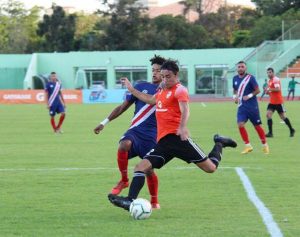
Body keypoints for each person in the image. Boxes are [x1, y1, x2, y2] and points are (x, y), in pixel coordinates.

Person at [107, 59, 237, 211]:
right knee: (140, 167)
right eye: (162, 76)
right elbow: (149, 100)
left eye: (167, 76)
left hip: (178, 139)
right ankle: (130, 200)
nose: (164, 79)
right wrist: (132, 89)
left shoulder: (180, 90)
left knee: (210, 168)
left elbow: (185, 109)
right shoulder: (162, 91)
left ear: (176, 75)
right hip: (164, 142)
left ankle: (219, 142)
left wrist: (182, 127)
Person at [94, 55, 166, 209]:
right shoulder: (141, 86)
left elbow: (155, 101)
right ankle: (124, 180)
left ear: (165, 73)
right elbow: (122, 107)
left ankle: (154, 200)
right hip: (135, 131)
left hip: (152, 136)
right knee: (124, 144)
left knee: (148, 170)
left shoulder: (166, 91)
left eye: (158, 71)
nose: (154, 73)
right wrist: (104, 122)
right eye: (153, 70)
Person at [232, 61, 269, 154]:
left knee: (257, 126)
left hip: (252, 107)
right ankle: (247, 146)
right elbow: (235, 89)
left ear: (245, 68)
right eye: (239, 67)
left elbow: (258, 90)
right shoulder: (235, 78)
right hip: (241, 107)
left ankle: (265, 145)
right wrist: (235, 97)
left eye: (242, 66)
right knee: (240, 124)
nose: (240, 68)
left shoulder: (250, 78)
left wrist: (248, 96)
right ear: (237, 68)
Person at [265, 68, 295, 138]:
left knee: (283, 117)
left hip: (278, 102)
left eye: (270, 72)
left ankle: (291, 129)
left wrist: (269, 89)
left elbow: (278, 89)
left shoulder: (275, 79)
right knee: (268, 115)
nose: (269, 74)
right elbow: (272, 92)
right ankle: (270, 133)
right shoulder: (270, 81)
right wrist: (268, 92)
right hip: (272, 102)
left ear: (273, 72)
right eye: (268, 73)